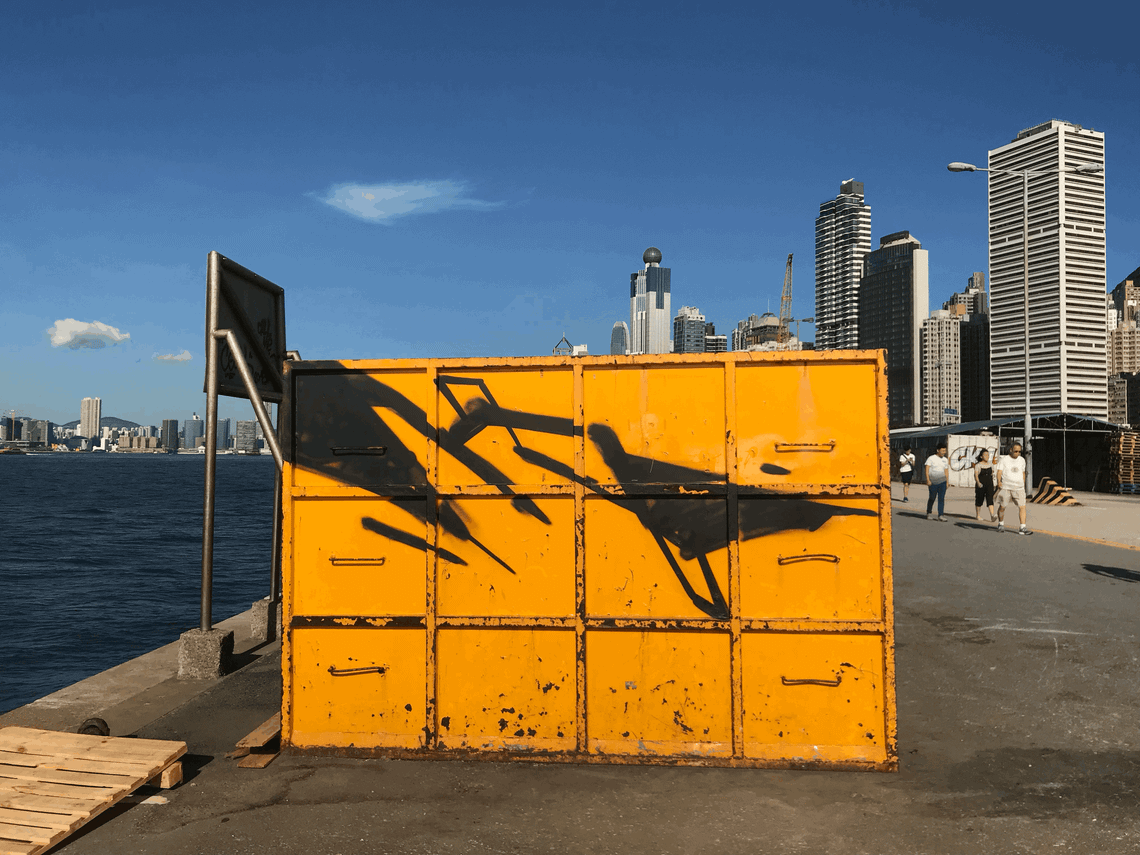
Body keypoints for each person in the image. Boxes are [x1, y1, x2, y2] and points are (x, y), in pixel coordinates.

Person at [995, 442, 1029, 534]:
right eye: (1016, 451)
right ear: (1011, 450)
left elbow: (1023, 472)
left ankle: (1023, 527)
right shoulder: (1004, 460)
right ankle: (1001, 524)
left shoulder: (1022, 460)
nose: (1017, 453)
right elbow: (999, 472)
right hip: (1006, 487)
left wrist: (1023, 483)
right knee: (1003, 506)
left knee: (1022, 507)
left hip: (1019, 488)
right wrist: (999, 481)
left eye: (1019, 452)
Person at [925, 443, 950, 521]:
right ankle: (929, 512)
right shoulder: (931, 458)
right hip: (933, 481)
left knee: (941, 498)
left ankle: (941, 515)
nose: (944, 452)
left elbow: (946, 471)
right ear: (938, 450)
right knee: (932, 497)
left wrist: (947, 482)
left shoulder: (945, 460)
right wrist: (928, 480)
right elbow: (927, 469)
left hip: (942, 481)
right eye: (942, 450)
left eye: (945, 450)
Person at [973, 449, 996, 522]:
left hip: (989, 484)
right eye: (985, 455)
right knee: (979, 499)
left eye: (988, 455)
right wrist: (978, 482)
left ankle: (992, 515)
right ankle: (978, 515)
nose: (987, 456)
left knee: (990, 499)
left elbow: (992, 474)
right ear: (981, 456)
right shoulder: (978, 465)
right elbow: (976, 475)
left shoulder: (990, 465)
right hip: (981, 484)